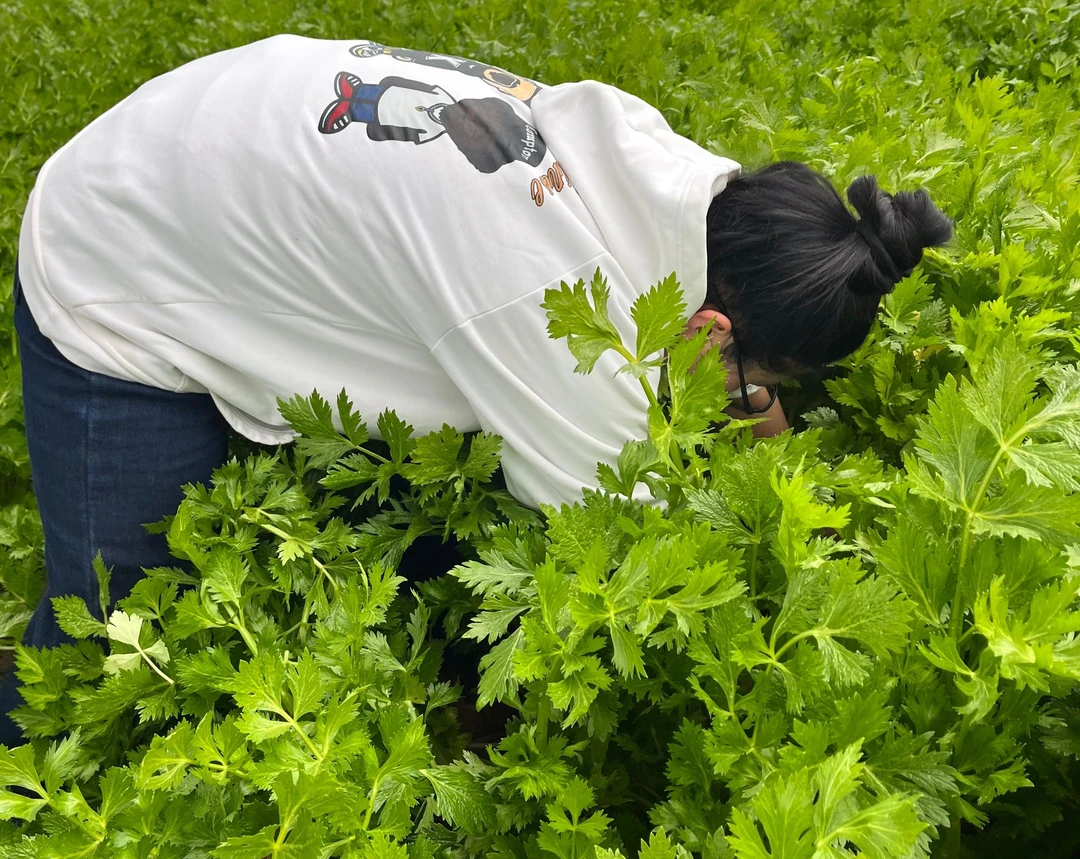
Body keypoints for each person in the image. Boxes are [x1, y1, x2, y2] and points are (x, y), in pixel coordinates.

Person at [1, 35, 953, 742]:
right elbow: (624, 551)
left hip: (227, 138)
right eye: (758, 382)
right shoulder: (553, 307)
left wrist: (749, 403)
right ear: (711, 332)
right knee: (120, 636)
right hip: (119, 251)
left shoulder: (679, 179)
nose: (756, 403)